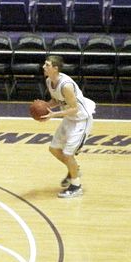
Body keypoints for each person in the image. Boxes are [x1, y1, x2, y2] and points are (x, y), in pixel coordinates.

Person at [40, 56, 96, 199]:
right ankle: (74, 169)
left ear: (55, 68)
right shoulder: (49, 81)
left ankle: (76, 186)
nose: (43, 67)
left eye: (47, 65)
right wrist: (45, 107)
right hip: (69, 118)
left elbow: (74, 108)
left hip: (81, 119)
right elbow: (56, 100)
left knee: (68, 153)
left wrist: (54, 115)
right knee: (54, 149)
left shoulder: (66, 85)